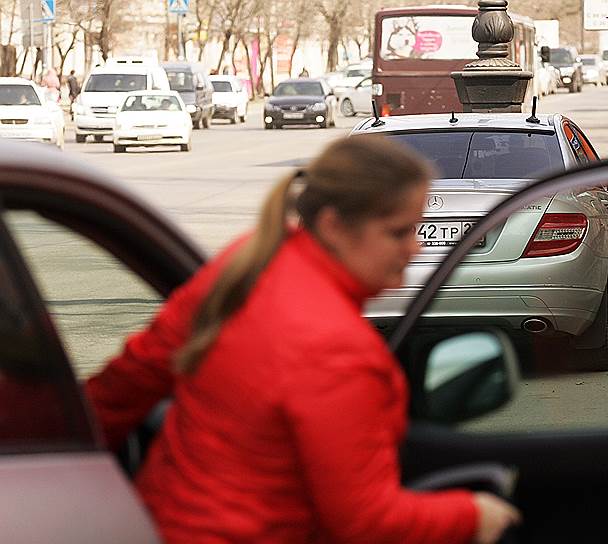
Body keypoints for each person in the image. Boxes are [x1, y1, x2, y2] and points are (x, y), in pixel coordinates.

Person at [84, 136, 521, 543]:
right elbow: (365, 520)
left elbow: (125, 386)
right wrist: (474, 514)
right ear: (333, 226)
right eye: (398, 232)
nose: (416, 248)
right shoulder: (339, 351)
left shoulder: (247, 262)